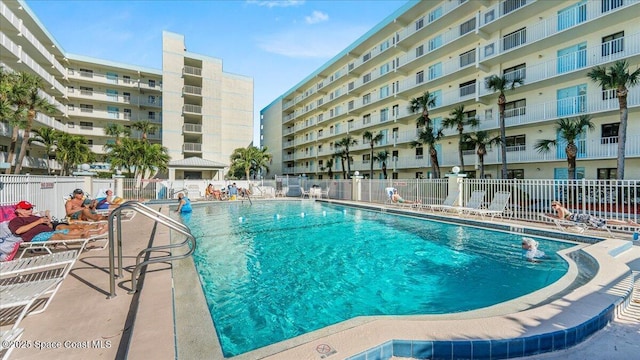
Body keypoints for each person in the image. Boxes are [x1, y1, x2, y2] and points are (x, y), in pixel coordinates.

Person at [9, 201, 107, 243]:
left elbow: (51, 226)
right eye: (27, 209)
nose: (30, 210)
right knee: (58, 236)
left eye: (31, 208)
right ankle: (83, 237)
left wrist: (48, 223)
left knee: (72, 229)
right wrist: (38, 221)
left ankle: (96, 230)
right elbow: (18, 231)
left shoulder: (33, 216)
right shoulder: (16, 220)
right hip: (35, 236)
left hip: (49, 231)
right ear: (19, 210)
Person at [550, 200, 639, 228]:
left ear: (558, 204)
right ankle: (626, 223)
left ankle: (627, 223)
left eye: (554, 205)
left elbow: (561, 218)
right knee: (605, 221)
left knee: (604, 221)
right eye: (552, 205)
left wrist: (550, 216)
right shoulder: (561, 209)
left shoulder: (560, 209)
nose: (553, 206)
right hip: (582, 217)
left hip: (582, 218)